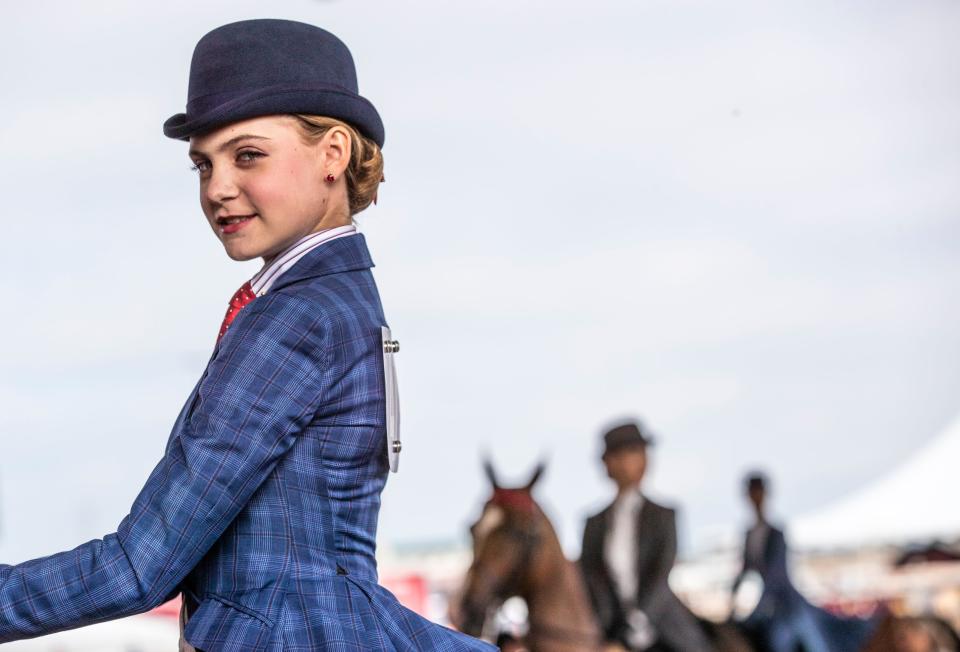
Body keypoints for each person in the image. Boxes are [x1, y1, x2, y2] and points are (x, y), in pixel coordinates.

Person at [0, 19, 494, 651]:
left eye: (248, 155)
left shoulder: (297, 317)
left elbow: (141, 565)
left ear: (333, 155)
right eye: (203, 165)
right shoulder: (340, 298)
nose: (217, 189)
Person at [580, 421, 715, 651]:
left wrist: (627, 636)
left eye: (642, 452)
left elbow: (660, 578)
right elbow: (591, 580)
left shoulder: (664, 516)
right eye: (631, 453)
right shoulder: (594, 524)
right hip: (606, 629)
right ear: (610, 463)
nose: (642, 460)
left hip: (661, 627)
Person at [731, 471, 877, 652]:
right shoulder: (749, 534)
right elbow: (745, 570)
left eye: (758, 492)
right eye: (752, 493)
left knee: (793, 641)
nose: (755, 498)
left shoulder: (777, 533)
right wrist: (732, 601)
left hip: (787, 604)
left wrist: (757, 608)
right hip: (764, 606)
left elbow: (777, 576)